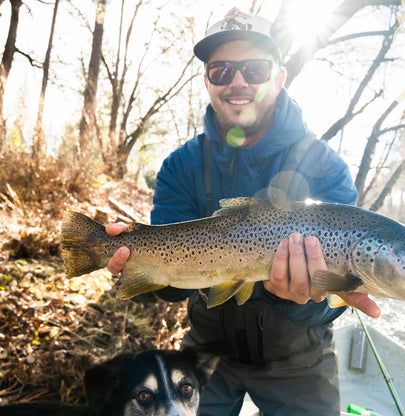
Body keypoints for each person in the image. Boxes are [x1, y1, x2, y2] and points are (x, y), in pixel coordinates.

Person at [107, 7, 380, 416]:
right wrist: (136, 267)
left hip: (300, 362)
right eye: (222, 71)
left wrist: (300, 299)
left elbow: (329, 306)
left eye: (254, 69)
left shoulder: (324, 166)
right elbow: (174, 285)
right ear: (207, 81)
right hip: (206, 356)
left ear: (279, 77)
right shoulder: (181, 167)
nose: (237, 82)